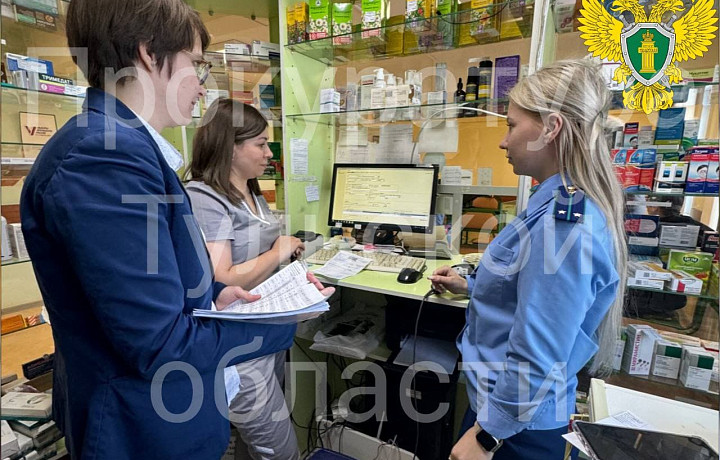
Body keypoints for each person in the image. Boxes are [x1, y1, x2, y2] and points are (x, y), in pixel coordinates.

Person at [20, 1, 329, 457]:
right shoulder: (104, 157)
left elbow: (151, 287)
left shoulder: (124, 146)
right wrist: (283, 320)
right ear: (149, 53)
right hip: (142, 428)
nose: (201, 87)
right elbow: (160, 343)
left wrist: (213, 298)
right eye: (197, 65)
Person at [430, 59, 627, 460]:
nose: (503, 142)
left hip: (515, 425)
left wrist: (485, 437)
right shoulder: (551, 201)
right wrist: (471, 285)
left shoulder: (564, 226)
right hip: (501, 407)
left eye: (511, 126)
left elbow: (539, 351)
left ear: (551, 128)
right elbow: (531, 292)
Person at [185, 99, 305, 459]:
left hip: (266, 334)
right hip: (238, 347)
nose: (269, 153)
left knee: (254, 447)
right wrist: (277, 253)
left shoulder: (251, 191)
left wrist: (288, 260)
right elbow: (222, 277)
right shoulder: (205, 197)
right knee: (280, 451)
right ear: (231, 147)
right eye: (261, 144)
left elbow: (259, 251)